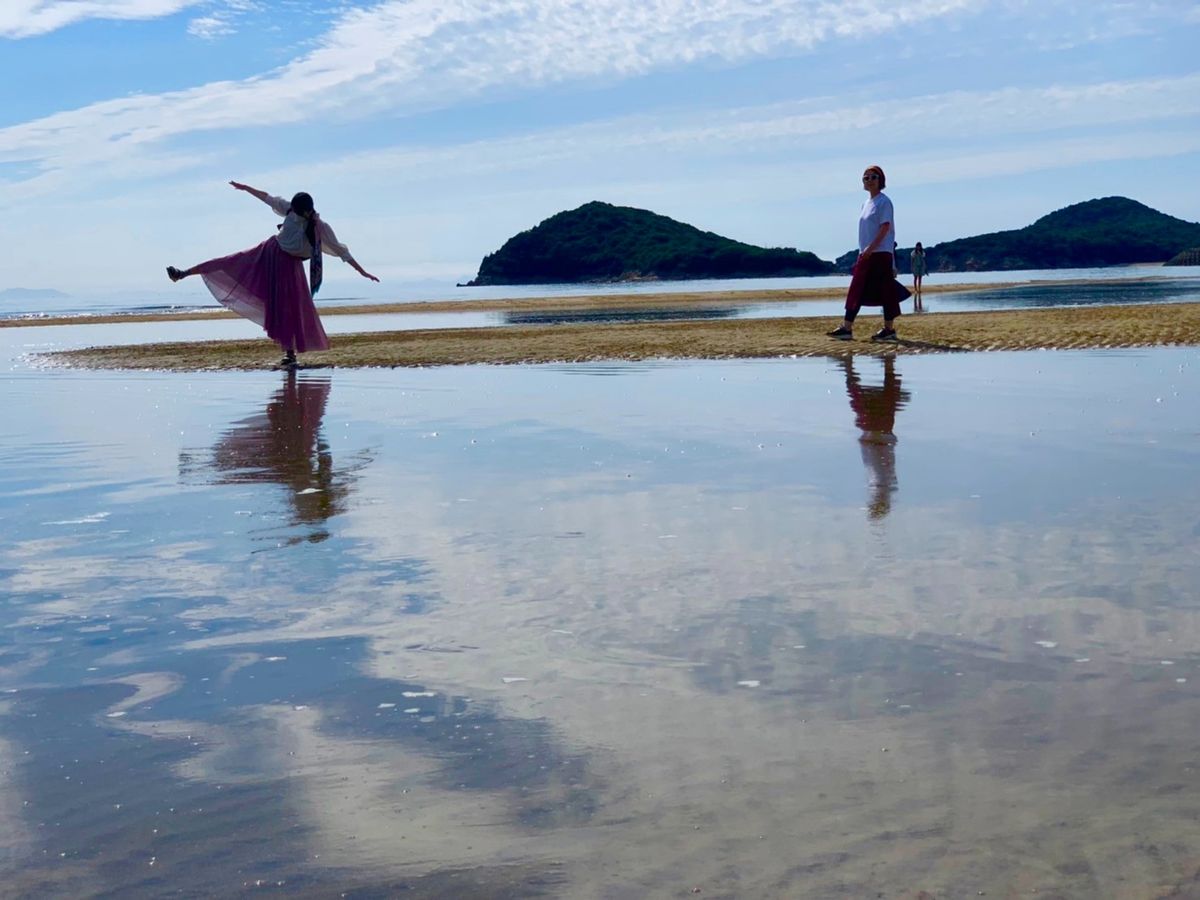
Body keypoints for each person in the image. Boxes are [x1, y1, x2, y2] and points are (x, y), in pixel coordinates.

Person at [167, 182, 379, 366]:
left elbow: (342, 251)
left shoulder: (320, 227)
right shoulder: (289, 208)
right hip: (269, 252)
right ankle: (183, 273)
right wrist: (245, 188)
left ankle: (290, 354)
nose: (294, 213)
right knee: (230, 261)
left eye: (298, 212)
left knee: (289, 309)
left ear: (307, 211)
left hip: (290, 267)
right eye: (293, 211)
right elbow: (266, 197)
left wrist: (363, 272)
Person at [828, 165, 909, 342]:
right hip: (865, 253)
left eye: (873, 177)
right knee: (857, 288)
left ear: (880, 180)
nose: (869, 180)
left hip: (880, 253)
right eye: (866, 178)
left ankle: (889, 329)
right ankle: (847, 328)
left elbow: (885, 227)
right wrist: (865, 250)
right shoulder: (865, 204)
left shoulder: (884, 202)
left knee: (886, 290)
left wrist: (871, 249)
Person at [840, 355, 910, 520]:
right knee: (875, 396)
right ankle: (883, 364)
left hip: (878, 434)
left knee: (865, 395)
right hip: (878, 434)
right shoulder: (884, 482)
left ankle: (853, 367)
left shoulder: (886, 482)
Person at [910, 241, 927, 311]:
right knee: (915, 278)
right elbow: (912, 260)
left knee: (920, 278)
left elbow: (923, 259)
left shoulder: (922, 252)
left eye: (919, 246)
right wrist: (911, 266)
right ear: (916, 246)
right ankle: (915, 289)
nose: (918, 247)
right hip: (915, 266)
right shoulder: (913, 252)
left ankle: (919, 289)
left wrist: (925, 267)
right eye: (917, 246)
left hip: (921, 266)